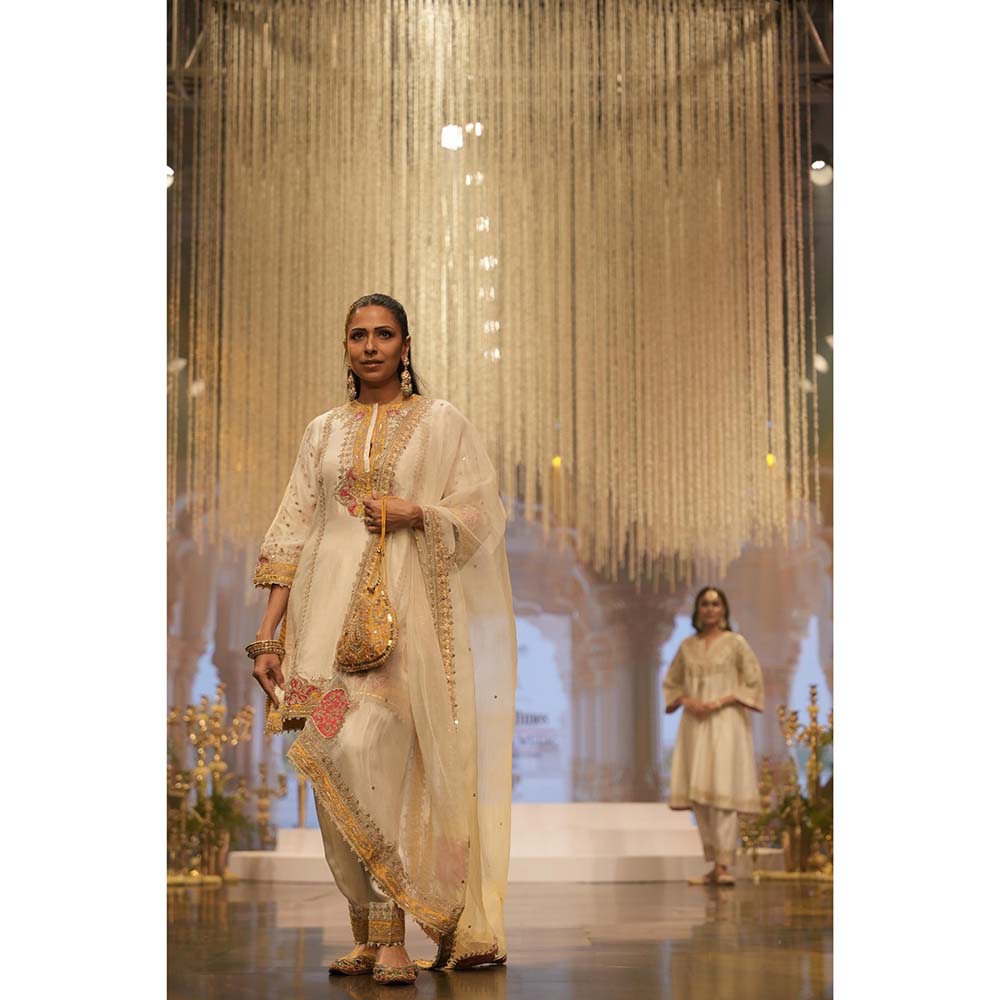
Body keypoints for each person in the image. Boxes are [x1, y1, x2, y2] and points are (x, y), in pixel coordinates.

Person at [247, 293, 517, 983]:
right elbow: (292, 528)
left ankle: (395, 931)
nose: (370, 346)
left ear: (405, 345)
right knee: (332, 761)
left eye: (384, 335)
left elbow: (481, 516)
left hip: (401, 626)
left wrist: (415, 512)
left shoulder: (440, 423)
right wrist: (268, 637)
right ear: (346, 346)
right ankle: (366, 932)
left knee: (374, 757)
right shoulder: (322, 432)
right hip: (319, 627)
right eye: (358, 335)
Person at [662, 586, 764, 886]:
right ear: (697, 610)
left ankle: (724, 864)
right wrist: (686, 700)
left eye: (716, 604)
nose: (710, 609)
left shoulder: (736, 644)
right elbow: (671, 683)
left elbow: (753, 681)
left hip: (726, 721)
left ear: (724, 609)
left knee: (723, 792)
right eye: (705, 604)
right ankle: (714, 865)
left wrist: (723, 699)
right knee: (702, 796)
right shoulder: (687, 647)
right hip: (695, 724)